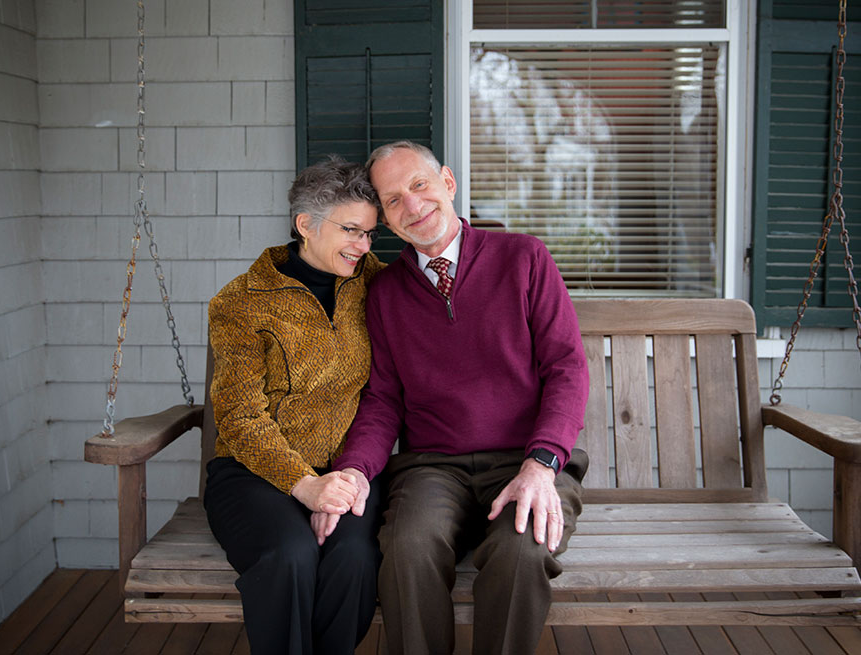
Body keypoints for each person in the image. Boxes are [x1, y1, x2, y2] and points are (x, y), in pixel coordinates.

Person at [321, 141, 590, 655]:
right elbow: (383, 399)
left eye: (419, 185)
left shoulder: (524, 258)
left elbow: (567, 369)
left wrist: (542, 463)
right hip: (432, 467)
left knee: (523, 553)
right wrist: (354, 469)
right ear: (384, 219)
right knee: (405, 548)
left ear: (448, 182)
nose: (412, 205)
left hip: (525, 460)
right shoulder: (385, 294)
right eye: (393, 199)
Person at [202, 156, 386, 655]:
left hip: (349, 472)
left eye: (370, 234)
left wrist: (341, 480)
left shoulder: (379, 285)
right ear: (306, 225)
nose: (363, 246)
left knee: (354, 558)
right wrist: (304, 484)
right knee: (290, 554)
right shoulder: (242, 302)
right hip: (253, 475)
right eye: (352, 230)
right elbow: (239, 416)